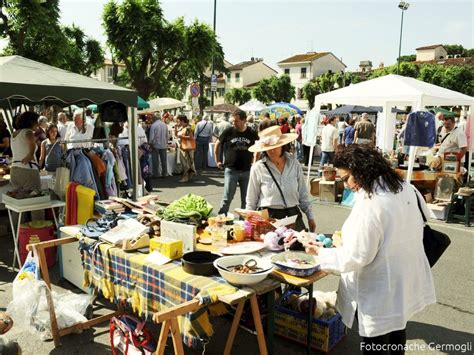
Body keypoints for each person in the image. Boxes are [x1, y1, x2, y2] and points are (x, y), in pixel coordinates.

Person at [289, 144, 436, 354]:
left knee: (375, 341)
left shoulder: (372, 202)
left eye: (346, 177)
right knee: (397, 329)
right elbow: (420, 220)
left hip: (380, 284)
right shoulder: (404, 187)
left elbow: (357, 256)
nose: (346, 185)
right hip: (403, 275)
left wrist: (320, 253)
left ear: (361, 171)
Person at [246, 125, 316, 232]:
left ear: (283, 146)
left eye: (275, 147)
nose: (272, 151)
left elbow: (303, 194)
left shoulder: (294, 164)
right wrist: (248, 224)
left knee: (297, 246)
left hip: (293, 215)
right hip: (269, 217)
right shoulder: (257, 168)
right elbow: (251, 200)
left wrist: (310, 217)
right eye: (268, 149)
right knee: (271, 246)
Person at [214, 109, 259, 215]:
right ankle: (221, 218)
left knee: (247, 200)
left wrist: (255, 162)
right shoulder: (229, 131)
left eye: (236, 121)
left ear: (244, 120)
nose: (234, 123)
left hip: (247, 170)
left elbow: (258, 147)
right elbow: (217, 144)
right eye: (233, 121)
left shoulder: (251, 133)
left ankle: (243, 222)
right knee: (227, 198)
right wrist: (218, 160)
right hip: (231, 169)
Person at [11, 111, 41, 190]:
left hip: (14, 169)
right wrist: (30, 155)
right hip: (28, 170)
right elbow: (31, 142)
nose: (38, 124)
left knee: (18, 198)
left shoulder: (14, 134)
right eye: (36, 122)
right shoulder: (28, 131)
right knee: (33, 198)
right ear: (31, 122)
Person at [175, 114, 196, 183]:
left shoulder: (188, 128)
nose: (177, 122)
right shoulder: (182, 127)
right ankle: (188, 176)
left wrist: (182, 137)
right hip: (183, 147)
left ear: (182, 121)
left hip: (187, 148)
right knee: (186, 162)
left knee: (186, 163)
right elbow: (176, 135)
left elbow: (191, 137)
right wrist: (175, 129)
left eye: (178, 121)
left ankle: (185, 177)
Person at [148, 113, 169, 178]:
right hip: (163, 144)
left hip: (155, 145)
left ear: (154, 118)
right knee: (164, 160)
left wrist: (150, 144)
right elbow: (167, 136)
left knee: (155, 161)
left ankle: (156, 174)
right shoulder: (164, 125)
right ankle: (164, 173)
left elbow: (151, 137)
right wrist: (166, 143)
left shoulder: (154, 125)